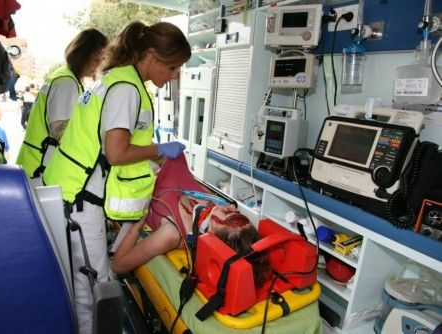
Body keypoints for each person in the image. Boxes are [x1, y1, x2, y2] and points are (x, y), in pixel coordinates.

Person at [42, 21, 191, 334]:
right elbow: (116, 152)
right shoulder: (126, 88)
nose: (175, 75)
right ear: (151, 55)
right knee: (95, 283)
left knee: (86, 278)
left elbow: (111, 143)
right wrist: (158, 149)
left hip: (71, 186)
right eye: (173, 66)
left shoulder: (117, 78)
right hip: (79, 195)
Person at [111, 155, 272, 289]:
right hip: (150, 158)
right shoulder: (213, 207)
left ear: (215, 235)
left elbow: (118, 265)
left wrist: (138, 221)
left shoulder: (171, 233)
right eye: (237, 212)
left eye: (231, 215)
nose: (231, 206)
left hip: (134, 168)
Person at [16, 28, 109, 179]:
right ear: (83, 55)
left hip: (35, 163)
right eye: (96, 59)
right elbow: (61, 132)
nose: (98, 65)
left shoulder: (65, 77)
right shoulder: (66, 82)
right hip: (40, 168)